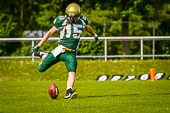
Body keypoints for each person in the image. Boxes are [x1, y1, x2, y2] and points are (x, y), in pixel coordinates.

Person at [31, 3, 98, 99]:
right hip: (59, 50)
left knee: (72, 72)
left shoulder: (83, 20)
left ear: (78, 15)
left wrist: (94, 34)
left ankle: (69, 91)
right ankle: (45, 55)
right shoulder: (61, 20)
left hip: (71, 52)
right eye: (69, 16)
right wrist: (39, 45)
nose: (70, 19)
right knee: (41, 69)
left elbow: (87, 27)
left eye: (73, 17)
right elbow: (50, 32)